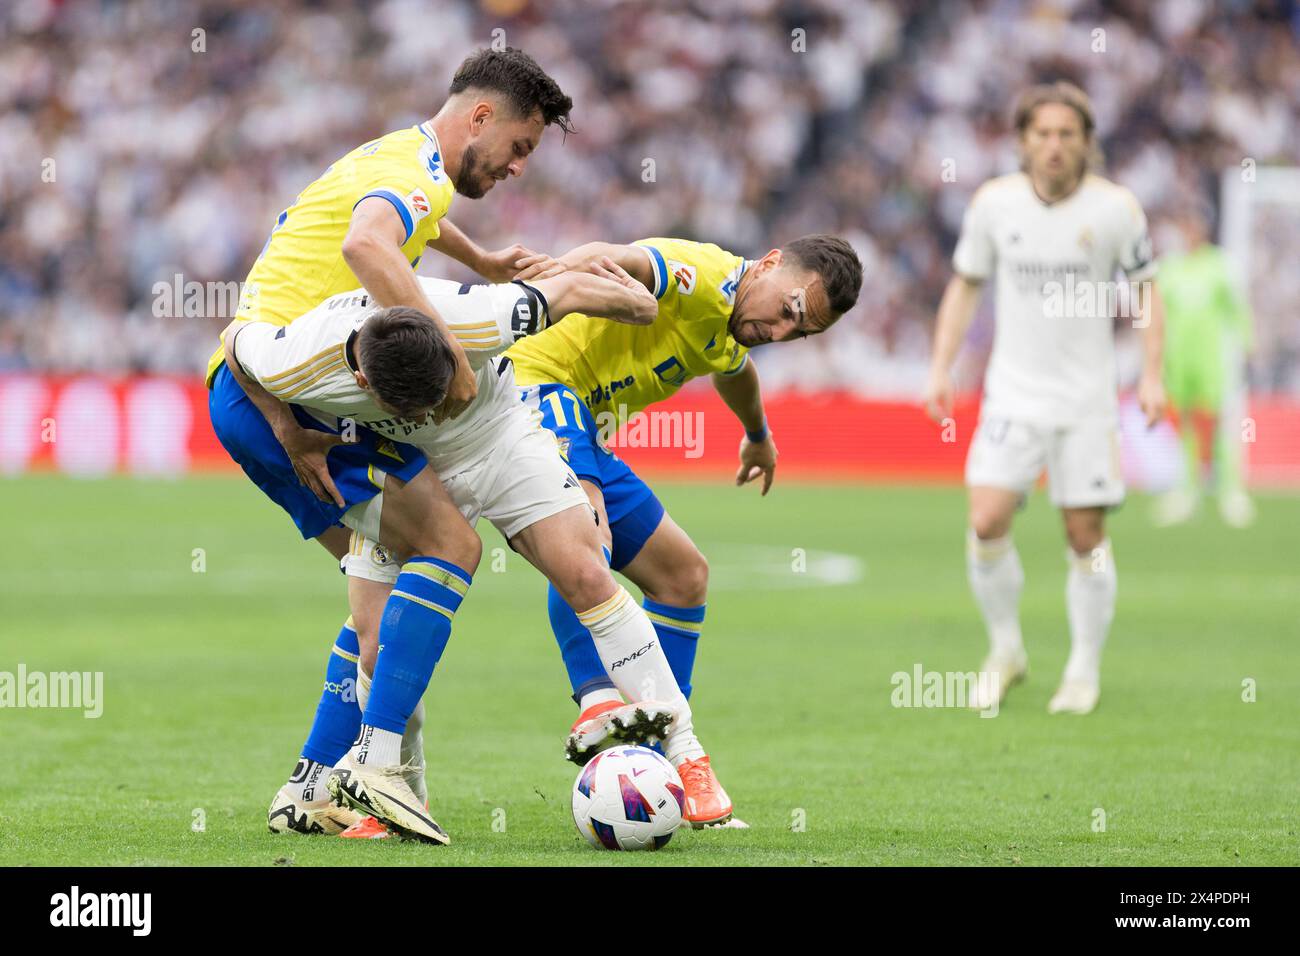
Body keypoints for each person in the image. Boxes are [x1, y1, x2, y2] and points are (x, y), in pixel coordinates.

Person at [216, 262, 734, 842]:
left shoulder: (478, 316)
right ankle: (397, 793)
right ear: (363, 383)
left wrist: (639, 302)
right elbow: (235, 341)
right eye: (419, 410)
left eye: (439, 397)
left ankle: (688, 756)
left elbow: (566, 286)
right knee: (374, 639)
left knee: (586, 571)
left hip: (502, 438)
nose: (433, 413)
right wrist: (285, 429)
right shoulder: (302, 356)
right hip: (416, 471)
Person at [204, 46, 575, 833]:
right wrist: (446, 357)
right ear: (480, 117)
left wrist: (480, 257)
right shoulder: (415, 169)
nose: (517, 168)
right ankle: (374, 770)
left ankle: (312, 785)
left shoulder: (398, 159)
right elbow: (367, 245)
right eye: (519, 147)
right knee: (450, 545)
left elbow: (408, 222)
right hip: (293, 397)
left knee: (383, 585)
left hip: (259, 394)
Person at [507, 234, 862, 821]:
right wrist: (537, 291)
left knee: (683, 576)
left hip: (581, 423)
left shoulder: (734, 321)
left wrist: (757, 435)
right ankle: (599, 702)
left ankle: (651, 756)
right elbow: (616, 255)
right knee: (585, 527)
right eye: (788, 311)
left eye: (797, 333)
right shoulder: (706, 276)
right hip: (534, 381)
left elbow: (734, 369)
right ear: (770, 263)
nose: (778, 332)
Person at [924, 82, 1167, 716]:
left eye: (1067, 134)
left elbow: (1146, 290)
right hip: (1013, 396)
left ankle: (1083, 668)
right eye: (1042, 133)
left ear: (1087, 142)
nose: (1054, 145)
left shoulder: (1116, 209)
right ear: (1023, 141)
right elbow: (965, 286)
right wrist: (941, 367)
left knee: (1084, 533)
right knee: (986, 520)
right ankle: (1006, 651)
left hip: (1086, 400)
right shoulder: (995, 205)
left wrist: (1151, 374)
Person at [1152, 204, 1256, 528]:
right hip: (1178, 361)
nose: (1189, 231)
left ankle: (1230, 491)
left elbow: (1237, 310)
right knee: (1185, 426)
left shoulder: (1220, 266)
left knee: (1220, 424)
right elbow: (1157, 313)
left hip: (1213, 361)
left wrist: (1248, 344)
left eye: (1194, 224)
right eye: (1184, 224)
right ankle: (1187, 491)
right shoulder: (1170, 267)